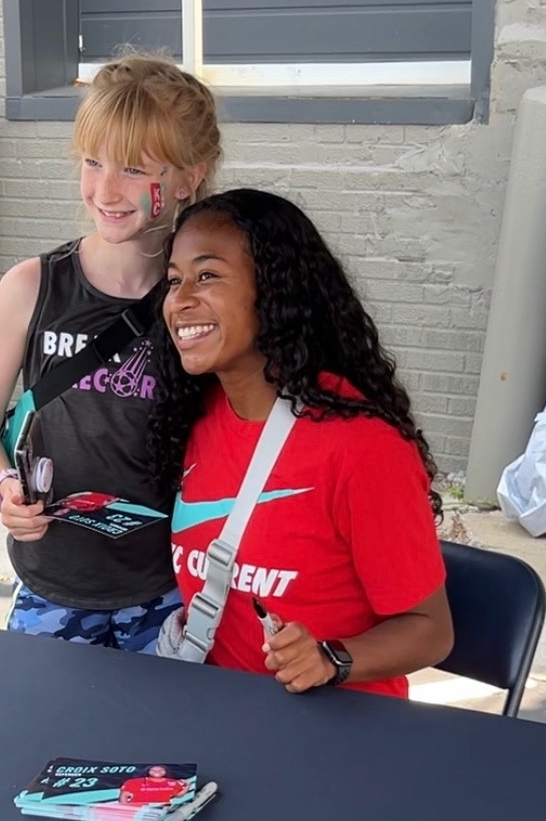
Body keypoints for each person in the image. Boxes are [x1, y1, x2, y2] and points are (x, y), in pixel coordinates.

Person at [0, 52, 222, 653]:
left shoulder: (205, 306)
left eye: (134, 168)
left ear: (189, 176)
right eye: (93, 161)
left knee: (160, 747)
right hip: (53, 587)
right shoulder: (33, 287)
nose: (106, 190)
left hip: (171, 591)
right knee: (44, 743)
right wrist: (5, 489)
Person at [148, 188, 454, 696]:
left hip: (333, 729)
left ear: (273, 289)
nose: (179, 300)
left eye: (208, 276)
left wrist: (331, 659)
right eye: (174, 281)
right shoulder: (194, 416)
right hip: (218, 708)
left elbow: (431, 630)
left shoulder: (362, 446)